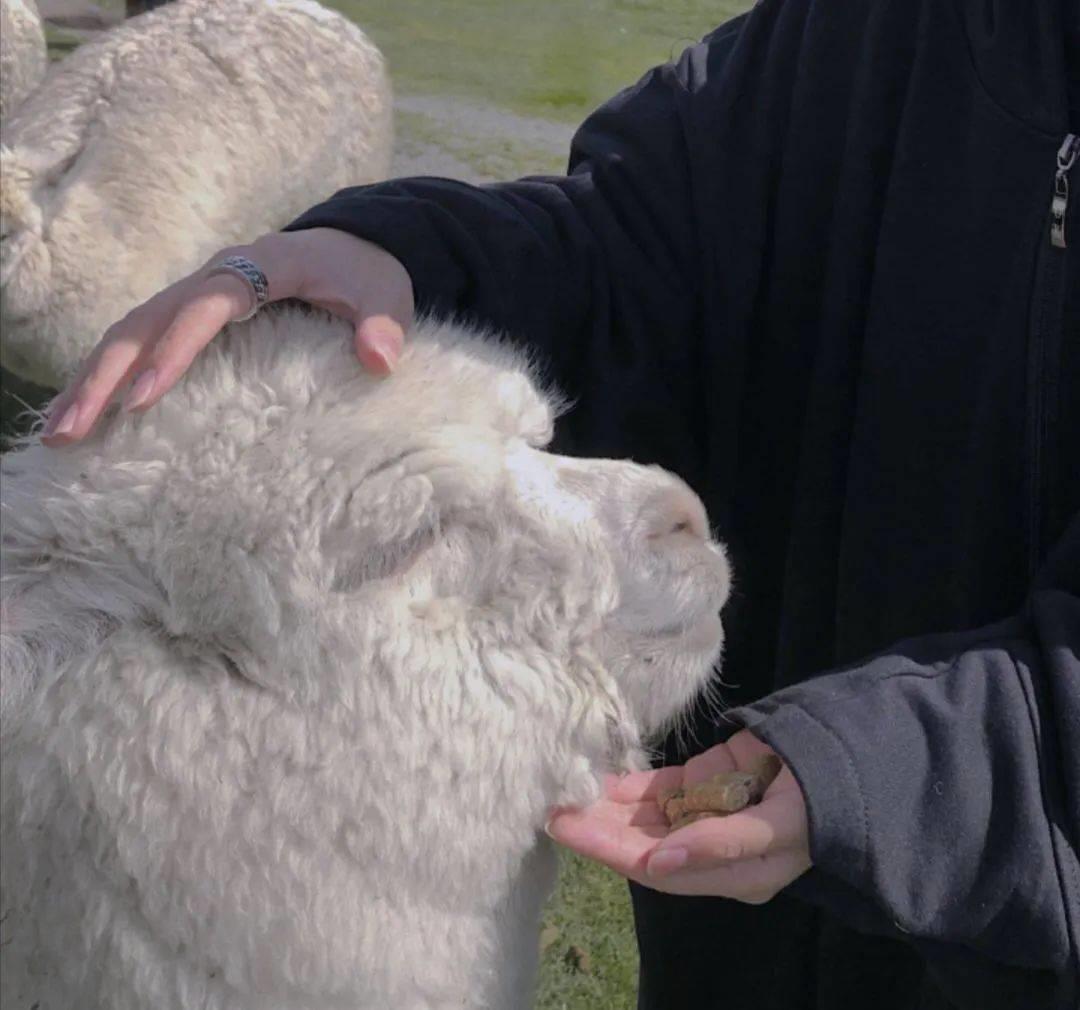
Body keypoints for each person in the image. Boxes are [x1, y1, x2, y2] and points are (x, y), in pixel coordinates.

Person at [40, 1, 1079, 1007]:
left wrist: (902, 777)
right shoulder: (888, 31)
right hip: (758, 901)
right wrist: (405, 259)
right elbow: (642, 239)